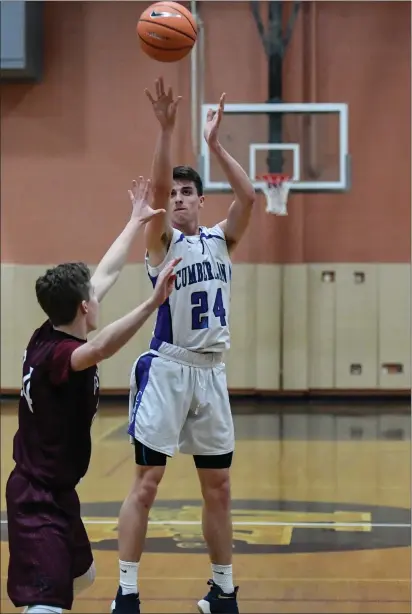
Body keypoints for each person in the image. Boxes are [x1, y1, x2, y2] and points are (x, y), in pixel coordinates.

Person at [112, 78, 256, 614]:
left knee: (218, 488)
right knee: (146, 483)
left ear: (199, 199)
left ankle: (222, 589)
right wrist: (167, 129)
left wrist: (215, 146)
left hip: (212, 373)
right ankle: (126, 591)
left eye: (185, 192)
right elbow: (152, 190)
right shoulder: (161, 241)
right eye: (171, 193)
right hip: (168, 371)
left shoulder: (222, 240)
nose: (175, 199)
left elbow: (250, 197)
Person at [5, 177, 181, 614]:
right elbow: (101, 348)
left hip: (58, 493)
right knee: (48, 603)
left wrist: (134, 220)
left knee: (81, 576)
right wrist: (153, 303)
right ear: (85, 307)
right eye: (92, 296)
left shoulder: (50, 329)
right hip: (36, 498)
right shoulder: (62, 356)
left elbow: (106, 272)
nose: (96, 294)